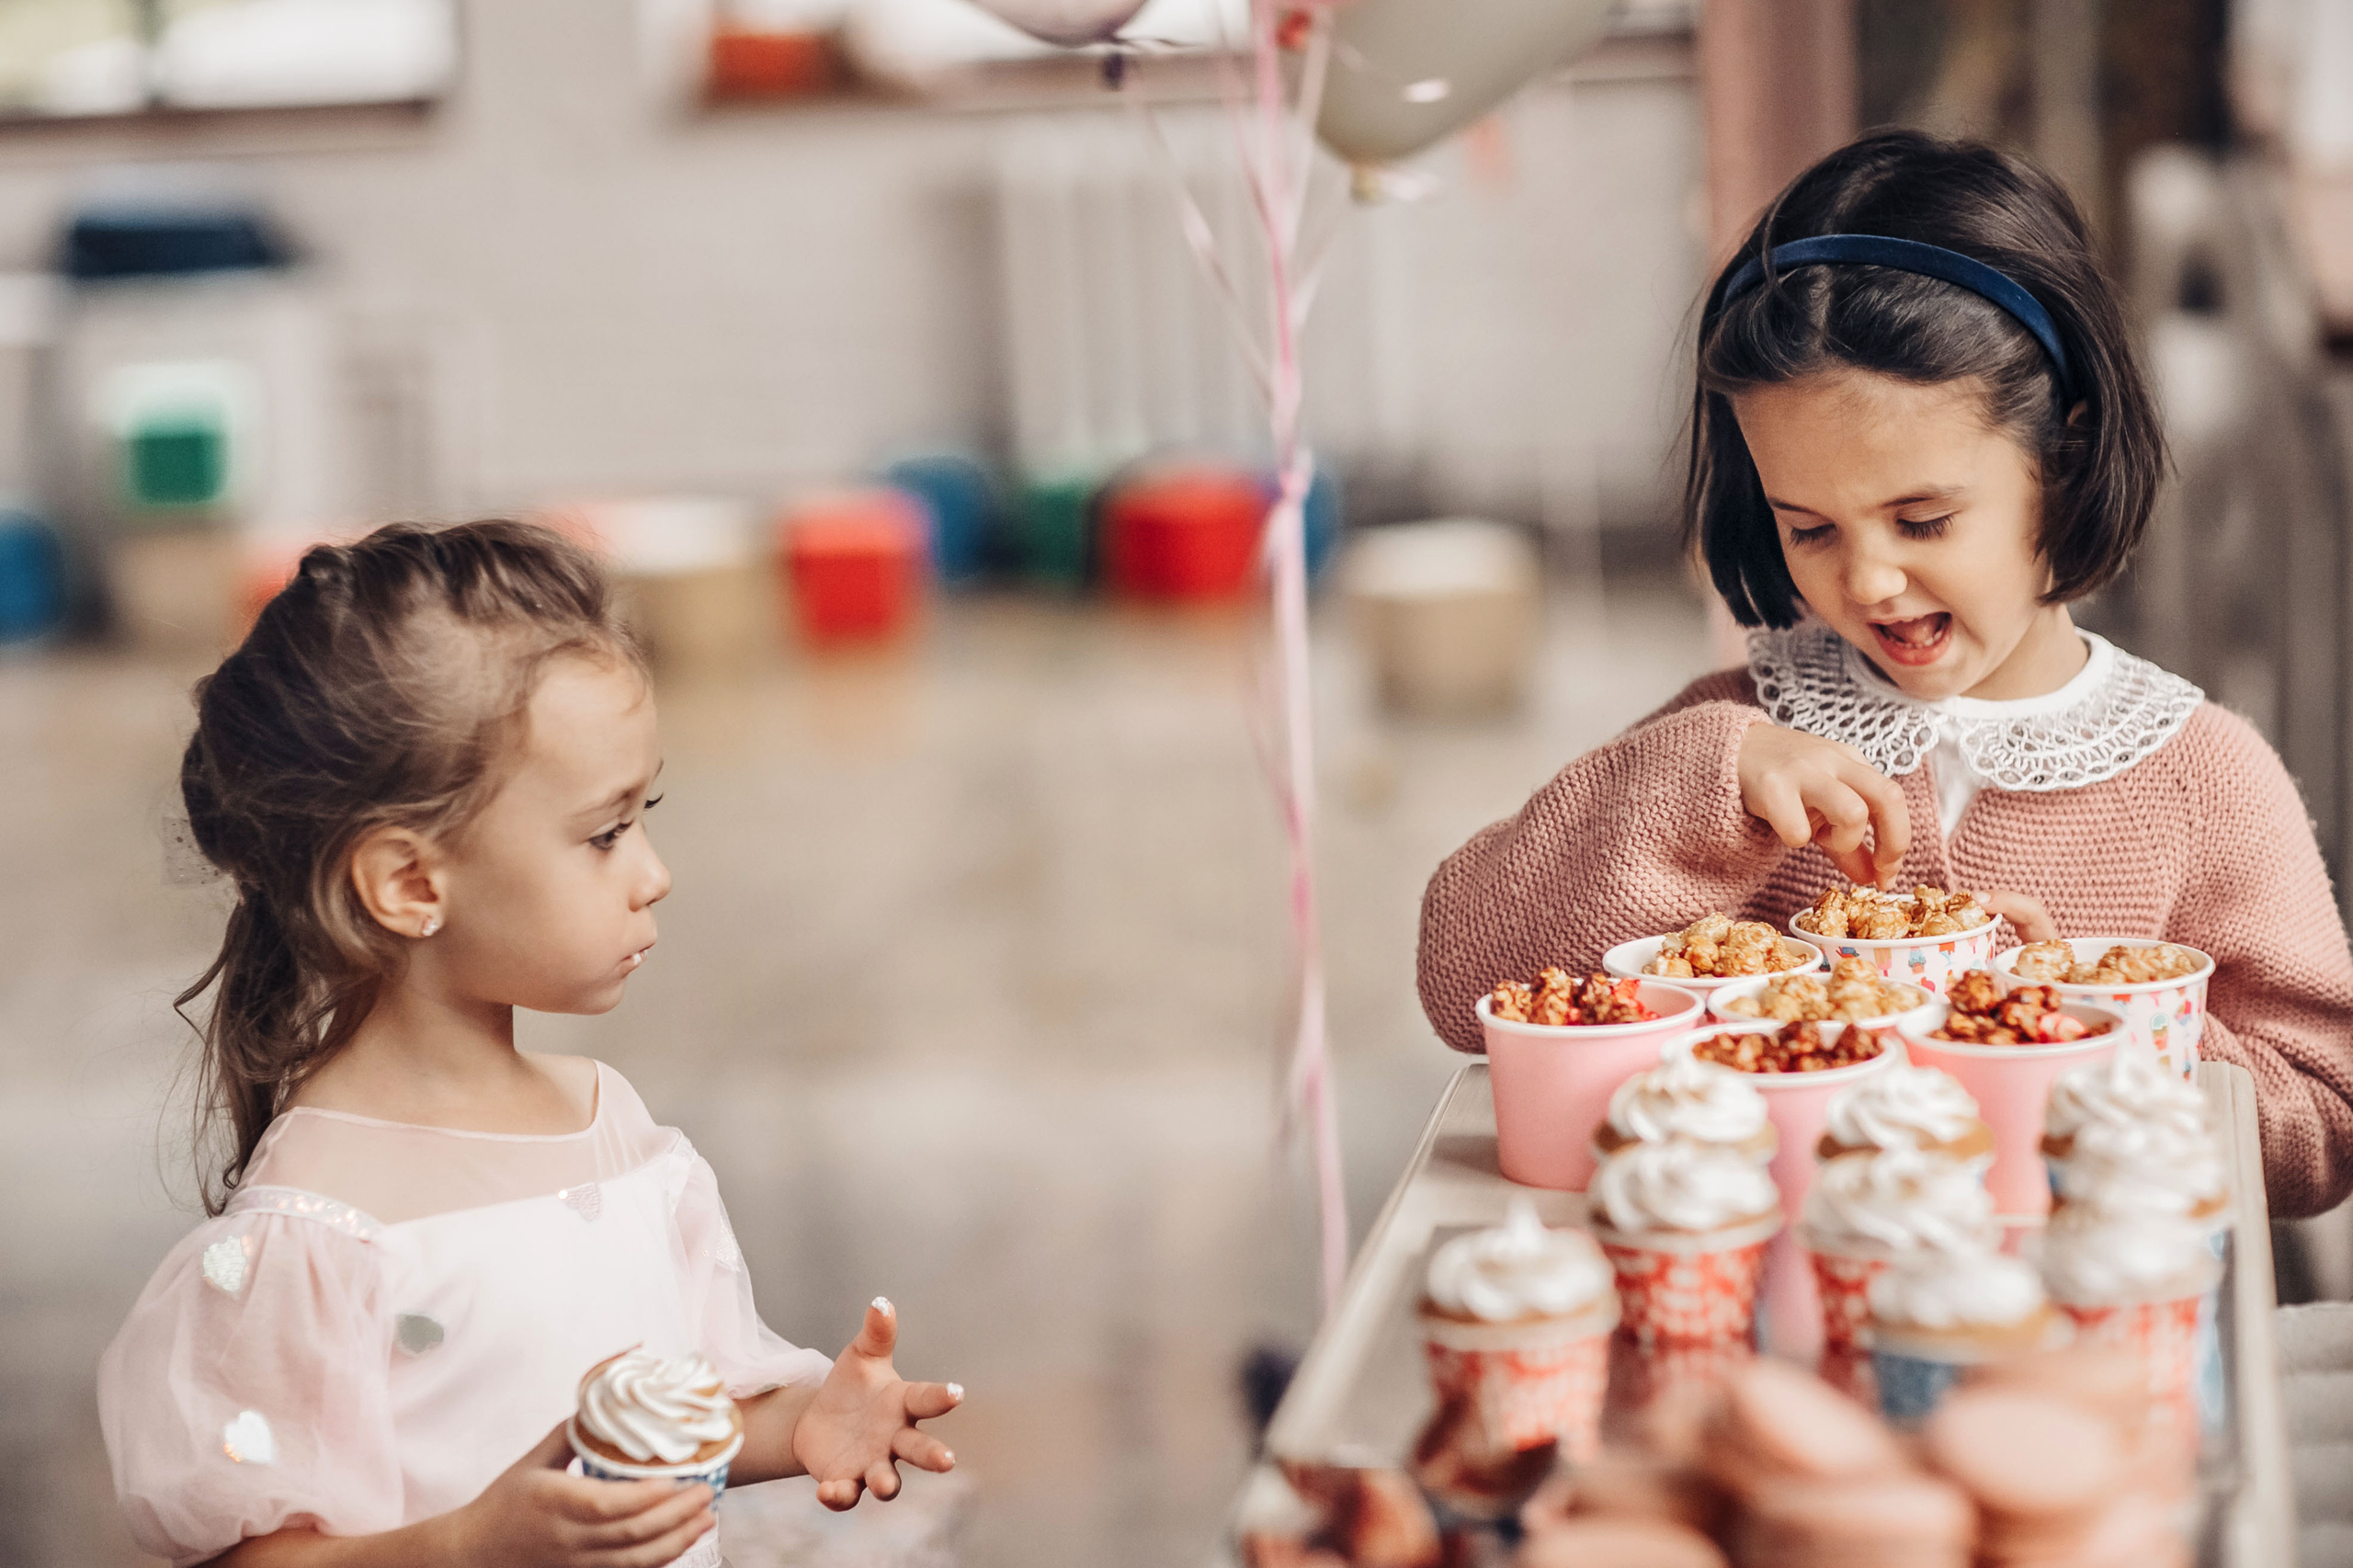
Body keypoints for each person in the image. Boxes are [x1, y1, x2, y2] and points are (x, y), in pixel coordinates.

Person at [1415, 129, 2353, 1218]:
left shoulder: (2203, 778)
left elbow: (2325, 1119)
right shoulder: (1737, 742)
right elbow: (1462, 979)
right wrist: (1699, 786)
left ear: (2063, 457)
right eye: (1808, 528)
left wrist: (2092, 1031)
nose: (1866, 580)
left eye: (1922, 519)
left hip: (2064, 1307)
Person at [97, 521, 961, 1567]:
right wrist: (469, 1542)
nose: (655, 873)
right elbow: (250, 1555)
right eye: (605, 833)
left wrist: (804, 1423)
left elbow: (655, 1436)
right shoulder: (312, 1229)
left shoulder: (611, 1125)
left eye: (645, 812)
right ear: (410, 883)